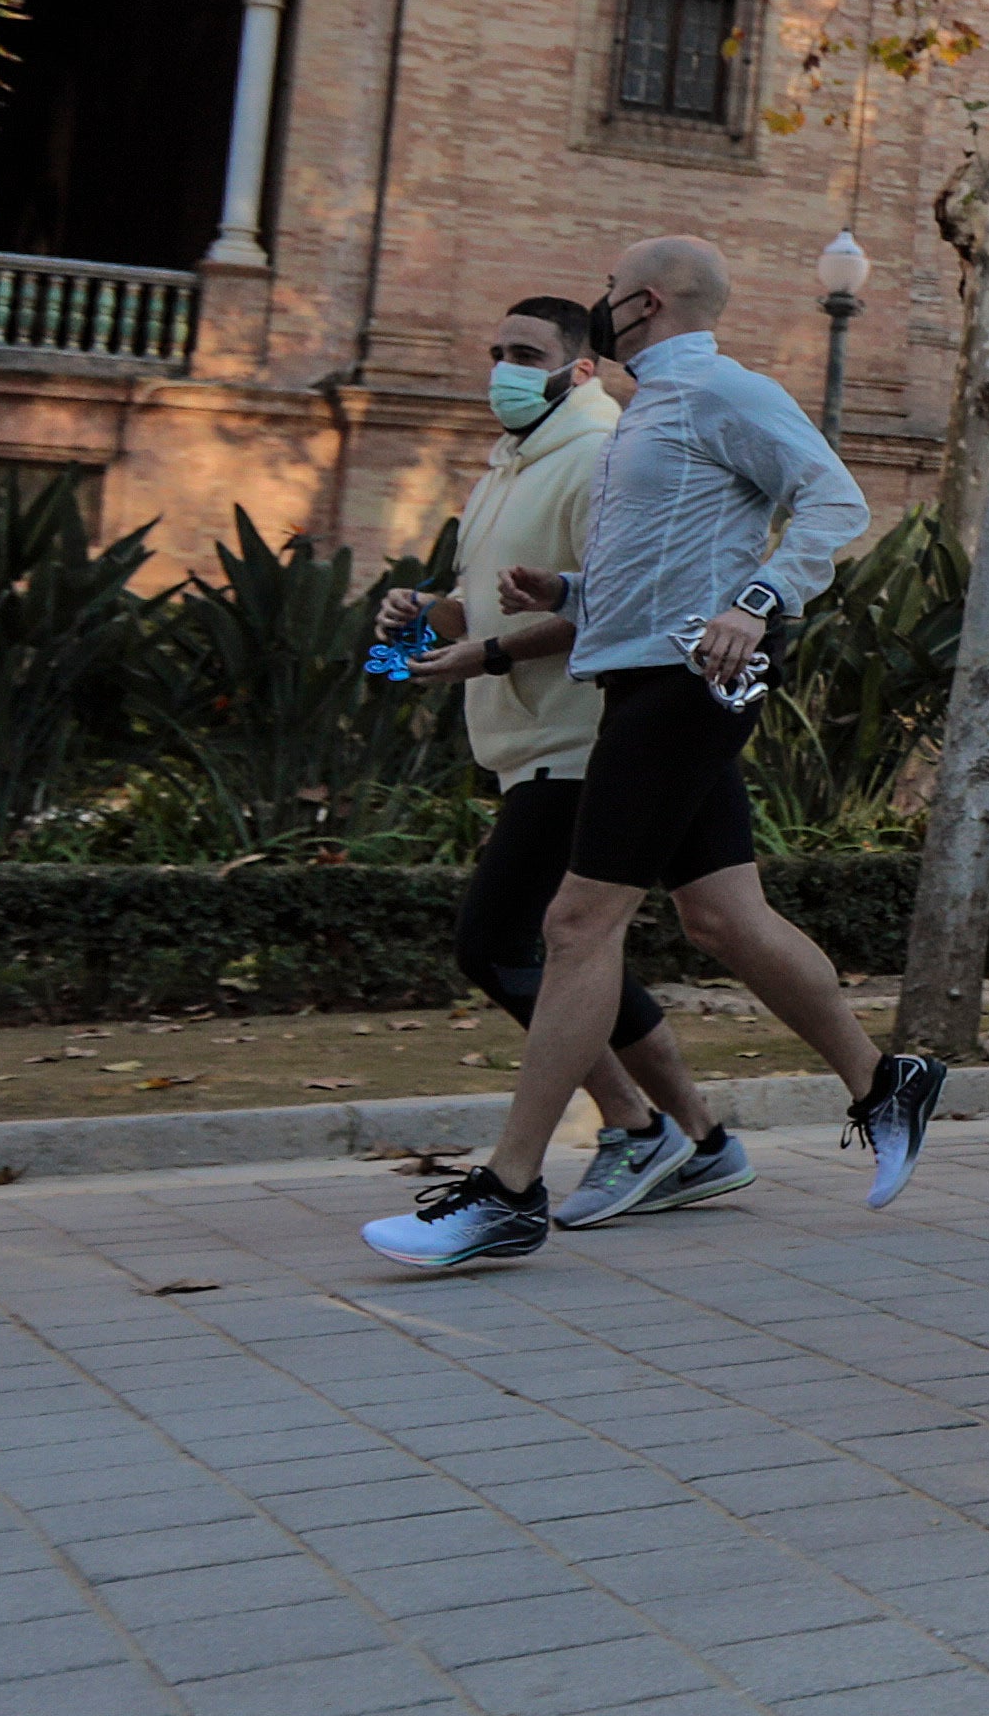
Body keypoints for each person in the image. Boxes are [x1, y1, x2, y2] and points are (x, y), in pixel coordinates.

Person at [363, 236, 943, 1271]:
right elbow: (678, 558)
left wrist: (758, 603)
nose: (602, 307)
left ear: (641, 302)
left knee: (577, 923)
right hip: (640, 678)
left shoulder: (721, 390)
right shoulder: (649, 416)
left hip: (685, 688)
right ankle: (884, 1082)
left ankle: (508, 1190)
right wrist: (573, 595)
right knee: (725, 917)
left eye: (609, 295)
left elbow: (836, 499)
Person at [368, 296, 735, 1225]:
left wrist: (488, 654)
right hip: (529, 745)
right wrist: (428, 612)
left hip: (586, 740)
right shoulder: (509, 464)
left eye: (524, 352)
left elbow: (613, 606)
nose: (501, 366)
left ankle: (635, 1127)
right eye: (494, 349)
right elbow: (480, 598)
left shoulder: (604, 458)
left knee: (500, 942)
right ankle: (698, 1138)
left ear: (580, 369)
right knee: (578, 947)